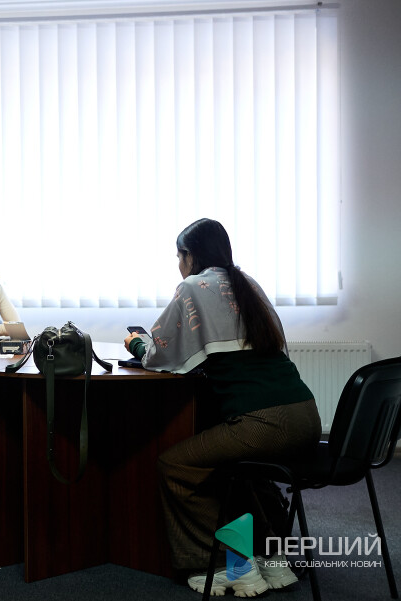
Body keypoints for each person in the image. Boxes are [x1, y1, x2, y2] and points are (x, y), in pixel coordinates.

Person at [123, 218, 321, 596]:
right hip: (306, 416)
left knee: (176, 466)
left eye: (178, 256)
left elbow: (159, 354)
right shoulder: (248, 285)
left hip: (264, 423)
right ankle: (271, 557)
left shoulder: (192, 287)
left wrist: (136, 342)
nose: (178, 264)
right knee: (240, 471)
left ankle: (228, 565)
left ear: (190, 255)